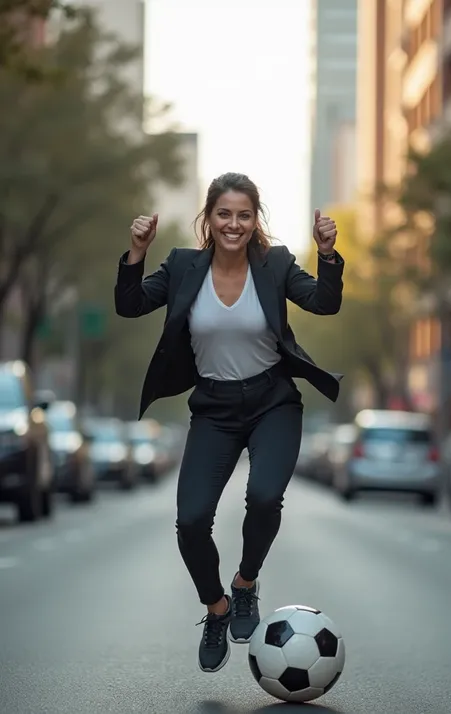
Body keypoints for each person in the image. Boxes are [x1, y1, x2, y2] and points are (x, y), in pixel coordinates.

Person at [114, 172, 344, 673]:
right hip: (214, 410)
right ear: (209, 218)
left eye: (244, 215)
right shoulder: (181, 266)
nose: (233, 224)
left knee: (263, 495)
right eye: (224, 214)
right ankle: (216, 608)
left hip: (272, 404)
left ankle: (245, 585)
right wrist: (136, 252)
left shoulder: (276, 264)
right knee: (191, 521)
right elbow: (129, 306)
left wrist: (327, 254)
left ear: (255, 220)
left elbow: (326, 303)